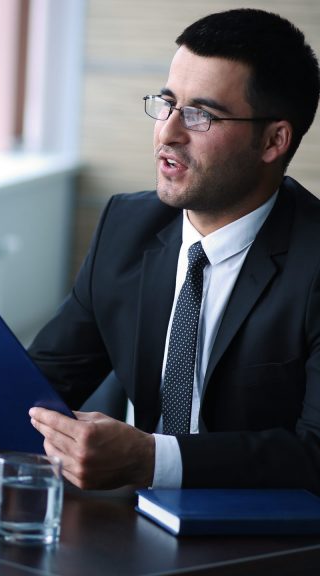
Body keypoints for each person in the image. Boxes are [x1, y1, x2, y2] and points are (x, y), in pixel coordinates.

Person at [28, 9, 320, 492]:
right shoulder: (126, 226)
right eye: (166, 102)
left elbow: (315, 455)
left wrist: (151, 459)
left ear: (273, 140)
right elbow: (41, 386)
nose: (168, 132)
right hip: (130, 526)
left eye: (200, 114)